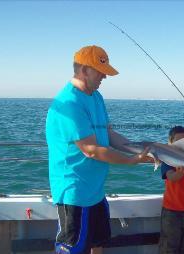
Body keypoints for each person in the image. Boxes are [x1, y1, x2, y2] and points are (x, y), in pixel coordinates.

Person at [46, 45, 150, 254]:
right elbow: (91, 149)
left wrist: (141, 149)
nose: (105, 76)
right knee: (73, 249)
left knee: (98, 243)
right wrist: (132, 161)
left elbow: (109, 134)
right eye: (100, 71)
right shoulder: (68, 103)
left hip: (95, 191)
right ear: (84, 70)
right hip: (74, 194)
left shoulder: (95, 96)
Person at [158, 126, 184, 254]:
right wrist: (179, 173)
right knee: (169, 245)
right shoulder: (167, 160)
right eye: (178, 142)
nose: (182, 145)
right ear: (170, 143)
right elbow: (171, 177)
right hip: (171, 210)